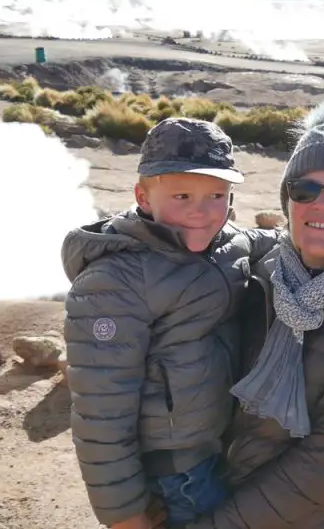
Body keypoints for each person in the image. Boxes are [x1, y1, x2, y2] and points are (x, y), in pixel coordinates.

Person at [174, 99, 324, 529]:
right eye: (304, 190)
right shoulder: (252, 273)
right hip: (206, 495)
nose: (321, 205)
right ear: (288, 201)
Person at [63, 118, 266, 529]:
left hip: (220, 449)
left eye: (217, 195)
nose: (201, 210)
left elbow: (272, 241)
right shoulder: (114, 282)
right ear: (143, 196)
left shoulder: (228, 244)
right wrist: (124, 514)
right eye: (181, 194)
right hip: (176, 474)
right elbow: (101, 410)